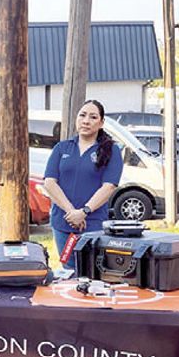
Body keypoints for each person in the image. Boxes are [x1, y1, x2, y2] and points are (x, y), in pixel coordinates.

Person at [42, 100, 124, 269]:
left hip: (92, 224)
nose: (86, 121)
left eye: (93, 117)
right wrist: (72, 212)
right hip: (64, 222)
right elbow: (50, 182)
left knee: (93, 271)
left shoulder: (110, 150)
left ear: (101, 123)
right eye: (82, 115)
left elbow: (109, 186)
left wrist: (84, 212)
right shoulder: (62, 148)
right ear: (76, 119)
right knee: (68, 271)